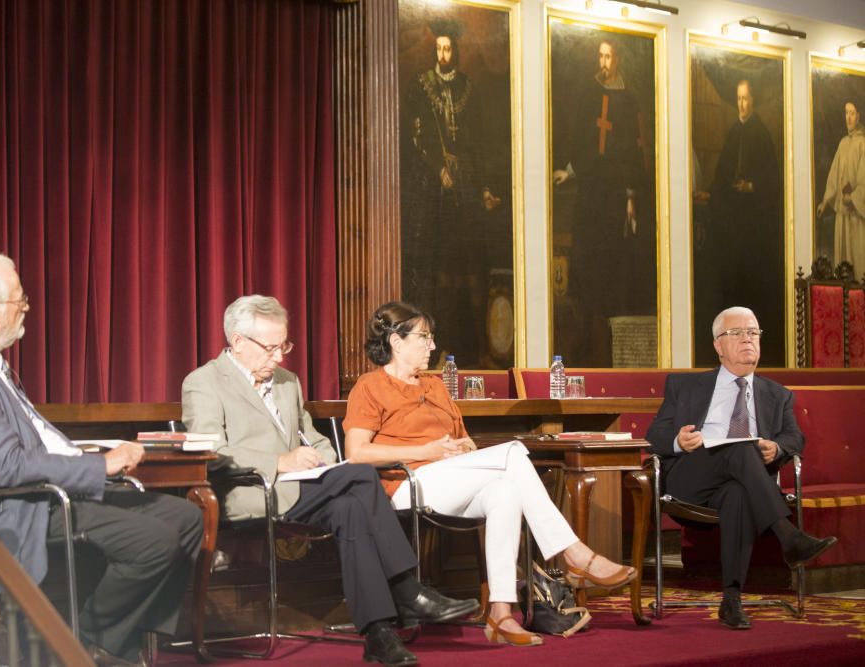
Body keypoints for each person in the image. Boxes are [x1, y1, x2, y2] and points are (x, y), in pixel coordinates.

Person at [0, 254, 203, 666]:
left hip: (43, 494)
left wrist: (85, 456)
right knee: (155, 542)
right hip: (16, 508)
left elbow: (30, 444)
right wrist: (99, 466)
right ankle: (84, 641)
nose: (27, 307)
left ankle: (111, 644)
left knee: (186, 518)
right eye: (20, 300)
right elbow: (6, 468)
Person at [181, 295, 478, 667]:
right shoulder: (204, 382)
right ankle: (407, 589)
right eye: (271, 348)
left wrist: (326, 460)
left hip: (304, 487)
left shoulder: (287, 382)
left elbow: (312, 437)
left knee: (352, 505)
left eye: (284, 346)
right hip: (251, 491)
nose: (280, 357)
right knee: (359, 474)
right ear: (238, 342)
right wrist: (280, 461)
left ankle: (377, 634)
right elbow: (212, 453)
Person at [343, 302, 636, 647]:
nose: (432, 346)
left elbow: (462, 438)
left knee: (505, 491)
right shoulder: (370, 386)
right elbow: (357, 454)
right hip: (406, 484)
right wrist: (427, 452)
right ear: (396, 341)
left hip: (449, 478)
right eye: (424, 337)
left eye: (431, 338)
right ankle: (574, 554)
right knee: (513, 452)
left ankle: (500, 612)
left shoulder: (434, 387)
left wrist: (463, 447)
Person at [646, 306, 837, 630]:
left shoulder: (778, 395)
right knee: (740, 445)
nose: (748, 339)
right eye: (738, 333)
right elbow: (655, 436)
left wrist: (776, 448)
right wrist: (679, 440)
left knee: (737, 491)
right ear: (718, 345)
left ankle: (731, 600)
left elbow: (794, 437)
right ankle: (787, 534)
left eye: (754, 332)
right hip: (690, 479)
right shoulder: (684, 386)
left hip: (740, 484)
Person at [400, 20, 503, 367]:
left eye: (449, 49)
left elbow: (477, 140)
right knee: (439, 276)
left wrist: (483, 186)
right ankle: (435, 345)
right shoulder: (421, 85)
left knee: (471, 272)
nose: (444, 55)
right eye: (439, 49)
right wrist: (437, 168)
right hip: (433, 190)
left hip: (466, 186)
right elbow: (417, 135)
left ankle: (472, 348)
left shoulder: (466, 87)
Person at [552, 38, 655, 366]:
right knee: (586, 265)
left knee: (613, 269)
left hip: (613, 197)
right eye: (600, 55)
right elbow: (581, 138)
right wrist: (568, 171)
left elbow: (632, 153)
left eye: (609, 56)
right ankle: (585, 341)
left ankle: (607, 344)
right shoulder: (589, 92)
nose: (604, 62)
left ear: (619, 59)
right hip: (590, 194)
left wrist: (629, 196)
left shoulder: (628, 100)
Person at [706, 80, 784, 366]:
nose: (742, 104)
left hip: (754, 226)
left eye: (746, 99)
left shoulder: (760, 133)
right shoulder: (733, 133)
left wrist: (751, 186)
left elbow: (772, 182)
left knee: (753, 284)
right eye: (738, 99)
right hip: (734, 224)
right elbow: (722, 177)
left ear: (753, 101)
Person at [816, 100, 865, 275]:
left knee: (858, 262)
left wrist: (853, 197)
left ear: (858, 115)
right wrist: (825, 201)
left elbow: (863, 179)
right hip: (842, 215)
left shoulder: (863, 143)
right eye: (846, 113)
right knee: (842, 262)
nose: (849, 118)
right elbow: (834, 176)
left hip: (857, 215)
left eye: (852, 113)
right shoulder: (843, 144)